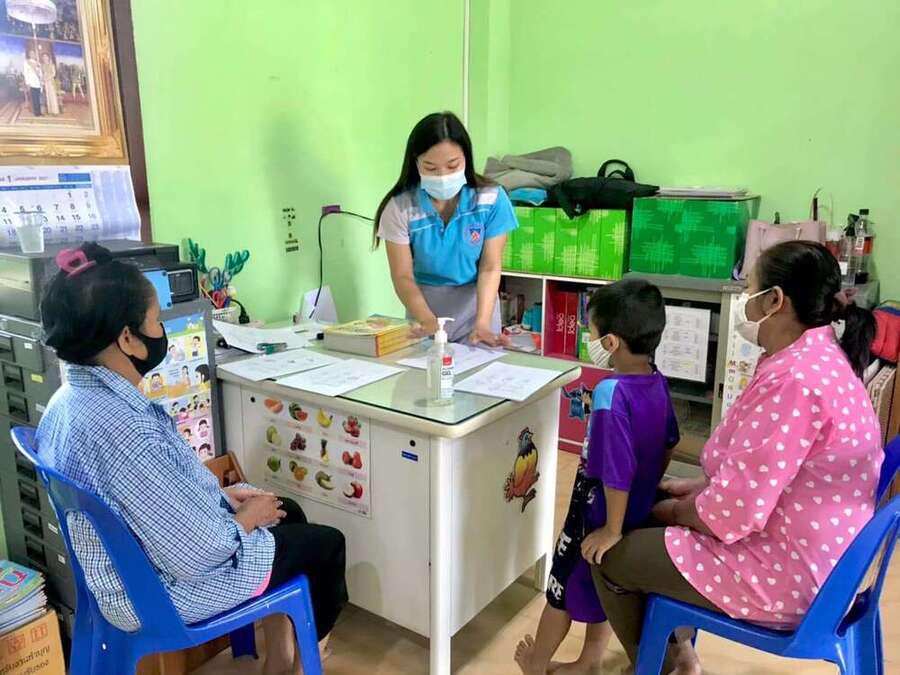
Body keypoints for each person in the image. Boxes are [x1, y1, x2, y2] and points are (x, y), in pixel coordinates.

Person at [36, 243, 347, 675]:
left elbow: (147, 497)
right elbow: (197, 554)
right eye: (155, 321)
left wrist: (222, 497)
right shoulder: (124, 430)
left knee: (286, 511)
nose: (161, 330)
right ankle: (301, 661)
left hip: (122, 571)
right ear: (127, 338)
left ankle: (280, 654)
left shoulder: (66, 402)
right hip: (157, 594)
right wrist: (244, 520)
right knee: (326, 545)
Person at [592, 241, 883, 674]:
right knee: (649, 518)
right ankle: (679, 651)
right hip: (829, 560)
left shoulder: (794, 381)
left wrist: (670, 510)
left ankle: (668, 665)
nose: (745, 302)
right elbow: (773, 471)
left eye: (749, 290)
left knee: (611, 557)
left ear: (775, 300)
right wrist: (698, 488)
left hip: (792, 576)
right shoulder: (820, 358)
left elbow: (733, 513)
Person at [516, 280, 680, 675]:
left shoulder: (610, 392)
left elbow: (615, 469)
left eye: (590, 332)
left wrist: (611, 527)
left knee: (560, 588)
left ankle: (536, 665)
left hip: (596, 513)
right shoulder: (657, 381)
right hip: (634, 506)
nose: (588, 340)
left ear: (610, 343)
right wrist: (645, 488)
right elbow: (670, 442)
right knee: (602, 584)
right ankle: (589, 661)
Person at [375, 111, 518, 345]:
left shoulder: (491, 198)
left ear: (466, 159)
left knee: (479, 367)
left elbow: (490, 266)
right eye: (430, 168)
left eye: (453, 165)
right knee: (425, 366)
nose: (442, 176)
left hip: (476, 308)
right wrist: (426, 319)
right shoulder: (400, 207)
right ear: (415, 163)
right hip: (424, 307)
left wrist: (482, 323)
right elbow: (402, 276)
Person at [23, 50, 43, 117]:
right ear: (29, 55)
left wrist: (41, 80)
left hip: (38, 82)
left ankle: (39, 112)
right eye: (31, 53)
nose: (32, 55)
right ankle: (37, 113)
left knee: (38, 98)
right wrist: (27, 83)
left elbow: (40, 73)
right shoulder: (26, 62)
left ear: (35, 55)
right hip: (31, 83)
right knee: (34, 98)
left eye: (33, 53)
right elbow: (25, 73)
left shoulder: (38, 63)